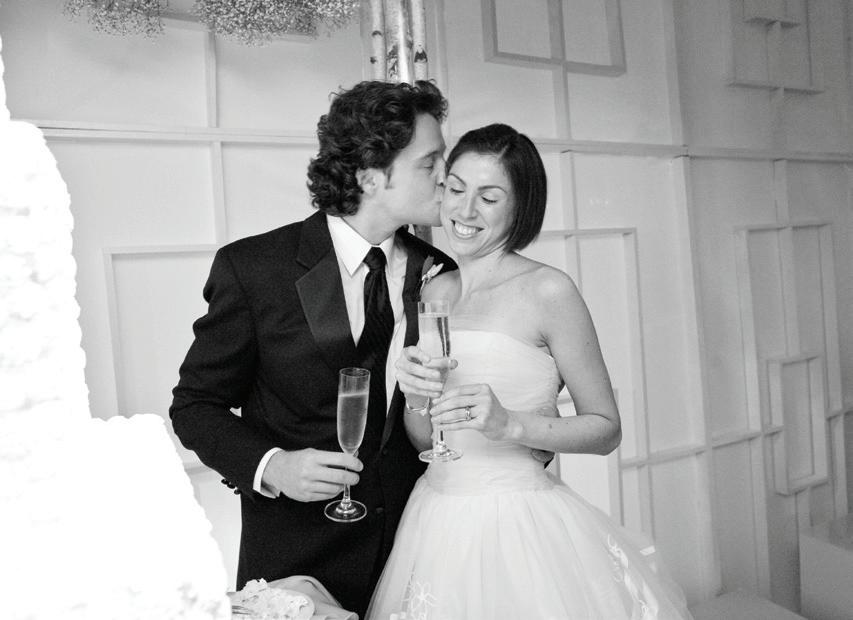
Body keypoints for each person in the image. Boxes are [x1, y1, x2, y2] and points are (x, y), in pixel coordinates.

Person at [367, 124, 694, 619]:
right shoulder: (435, 292)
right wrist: (416, 397)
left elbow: (606, 429)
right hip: (434, 516)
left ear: (521, 208)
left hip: (519, 523)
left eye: (488, 198)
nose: (465, 211)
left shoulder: (549, 290)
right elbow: (424, 440)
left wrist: (511, 425)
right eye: (455, 189)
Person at [169, 80, 456, 618]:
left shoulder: (438, 271)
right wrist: (273, 466)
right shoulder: (254, 269)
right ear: (370, 176)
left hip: (418, 554)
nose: (447, 175)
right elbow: (194, 407)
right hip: (298, 560)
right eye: (430, 162)